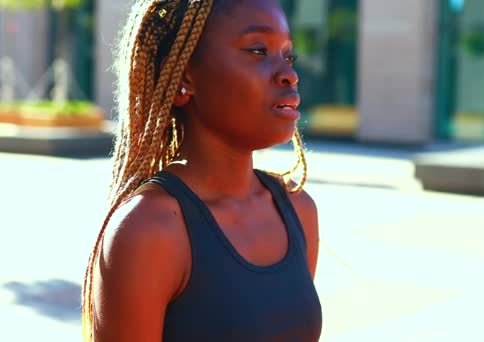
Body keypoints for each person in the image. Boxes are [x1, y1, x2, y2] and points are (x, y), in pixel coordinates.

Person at [81, 0, 322, 340]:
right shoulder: (150, 228)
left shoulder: (298, 209)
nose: (289, 74)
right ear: (185, 78)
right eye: (258, 50)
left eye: (288, 55)